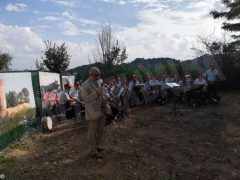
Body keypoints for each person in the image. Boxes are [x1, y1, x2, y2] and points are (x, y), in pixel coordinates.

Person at [80, 67, 105, 159]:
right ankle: (93, 151)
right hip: (92, 112)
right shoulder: (85, 85)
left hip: (101, 110)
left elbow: (101, 93)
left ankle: (96, 146)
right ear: (90, 75)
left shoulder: (98, 82)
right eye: (96, 75)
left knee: (101, 129)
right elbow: (86, 99)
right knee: (92, 132)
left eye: (99, 74)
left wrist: (105, 96)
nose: (98, 77)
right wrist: (97, 93)